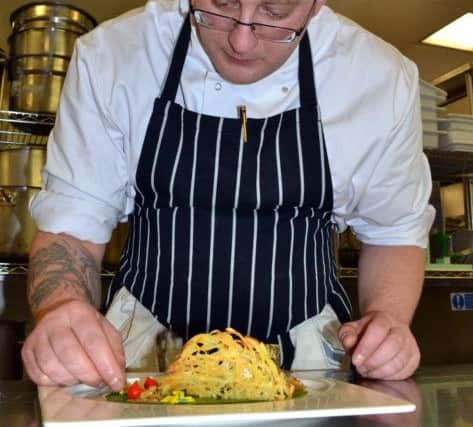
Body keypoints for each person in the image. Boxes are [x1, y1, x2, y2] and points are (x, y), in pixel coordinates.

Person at [22, 0, 434, 391]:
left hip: (311, 373)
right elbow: (72, 225)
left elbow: (393, 232)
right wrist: (60, 310)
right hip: (139, 364)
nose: (241, 40)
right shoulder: (114, 55)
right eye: (221, 6)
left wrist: (388, 320)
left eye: (274, 12)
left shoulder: (379, 79)